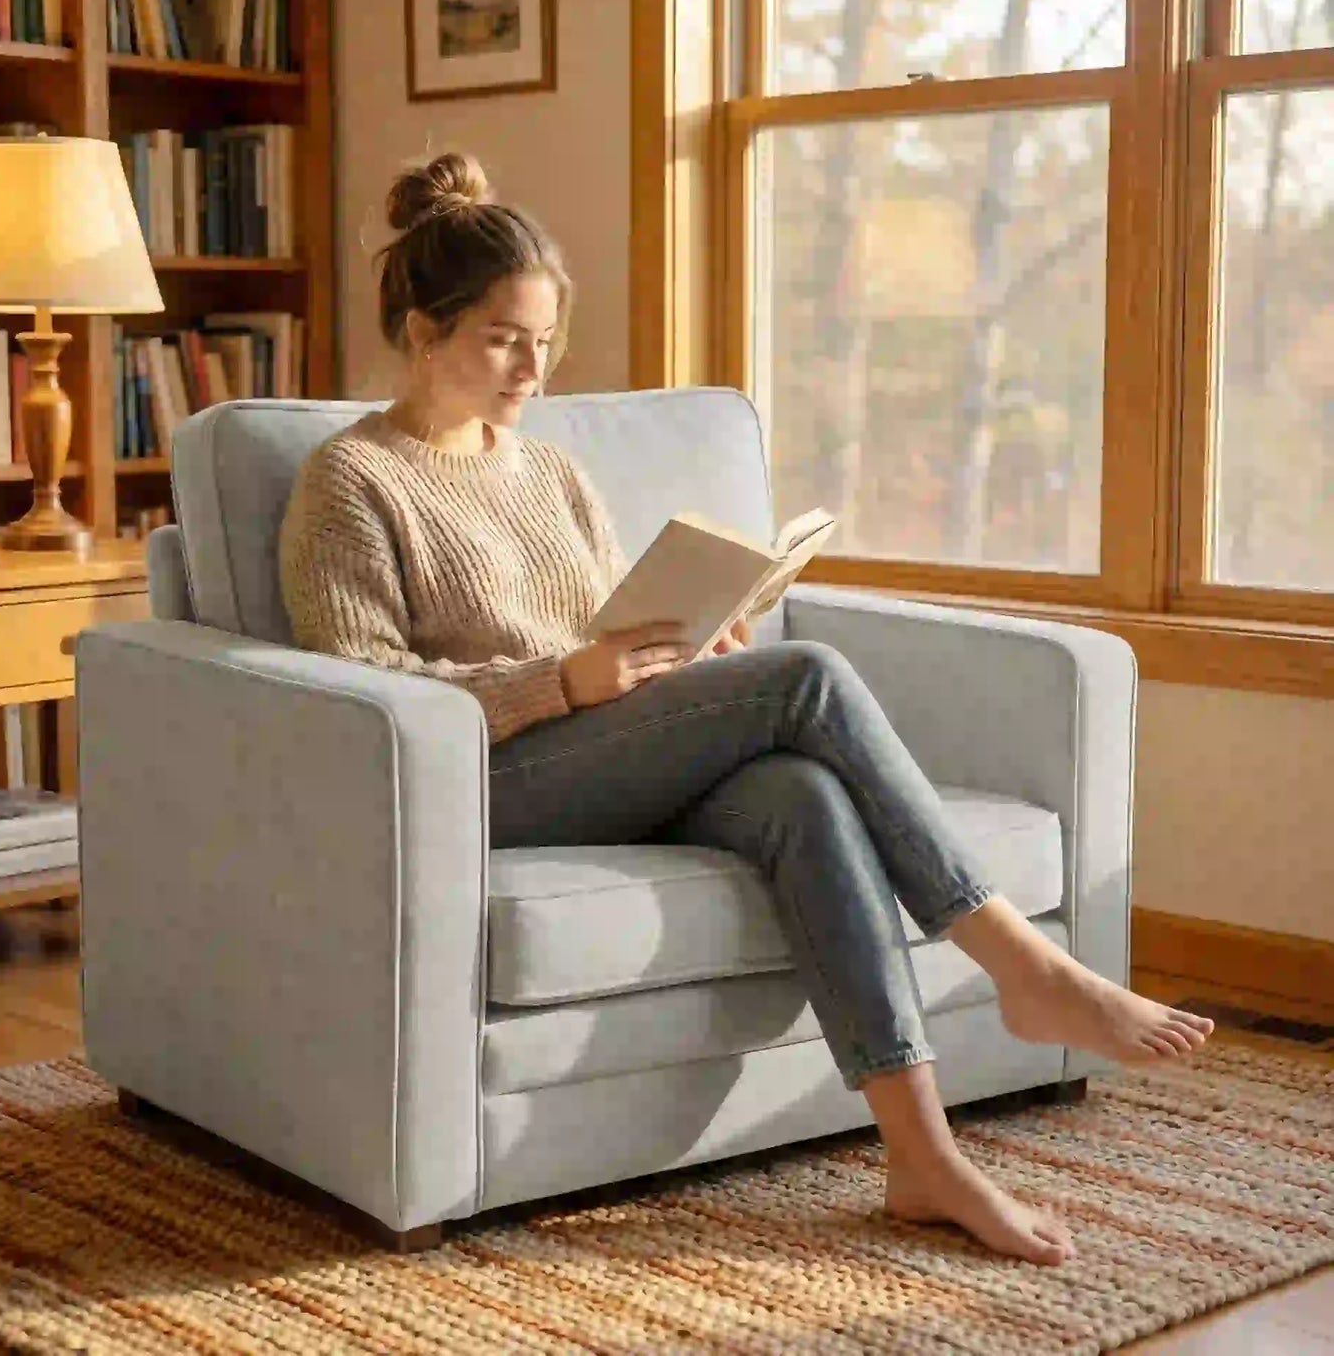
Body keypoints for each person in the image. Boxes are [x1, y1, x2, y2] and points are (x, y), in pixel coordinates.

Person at [278, 151, 1214, 1267]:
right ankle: (1020, 960)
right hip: (476, 781)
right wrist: (561, 683)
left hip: (597, 751)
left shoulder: (548, 472)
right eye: (499, 337)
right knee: (803, 675)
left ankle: (921, 1154)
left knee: (800, 793)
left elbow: (608, 624)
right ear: (420, 331)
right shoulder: (349, 481)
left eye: (544, 337)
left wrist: (689, 647)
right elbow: (363, 702)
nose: (532, 364)